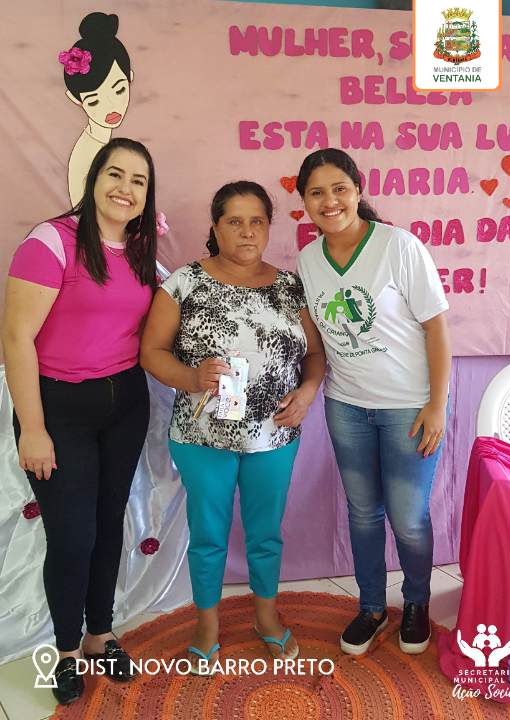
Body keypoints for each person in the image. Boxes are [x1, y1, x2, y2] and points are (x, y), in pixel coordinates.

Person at [140, 181, 326, 675]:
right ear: (216, 227)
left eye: (256, 221)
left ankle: (267, 617)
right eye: (235, 221)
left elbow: (313, 354)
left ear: (268, 227)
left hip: (274, 436)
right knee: (208, 535)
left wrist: (308, 392)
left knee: (266, 533)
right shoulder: (184, 283)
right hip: (202, 438)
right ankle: (207, 627)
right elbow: (151, 352)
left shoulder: (290, 287)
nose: (247, 231)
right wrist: (191, 377)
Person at [2, 138, 158, 704]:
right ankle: (67, 650)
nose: (125, 188)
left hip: (125, 405)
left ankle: (100, 634)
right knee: (72, 537)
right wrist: (33, 427)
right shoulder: (50, 242)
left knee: (108, 524)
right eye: (115, 174)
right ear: (93, 180)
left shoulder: (141, 249)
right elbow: (15, 337)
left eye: (138, 180)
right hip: (58, 411)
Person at [295, 148, 452, 656]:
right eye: (317, 192)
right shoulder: (308, 260)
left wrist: (437, 404)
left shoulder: (398, 246)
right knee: (363, 513)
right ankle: (371, 607)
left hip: (409, 406)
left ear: (358, 190)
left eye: (339, 188)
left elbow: (436, 327)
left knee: (408, 518)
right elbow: (317, 339)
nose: (330, 201)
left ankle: (417, 603)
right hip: (347, 406)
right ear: (304, 202)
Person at [59, 13, 133, 205]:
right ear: (76, 100)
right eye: (94, 101)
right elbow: (82, 214)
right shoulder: (86, 154)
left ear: (130, 79)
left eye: (119, 90)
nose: (111, 106)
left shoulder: (109, 144)